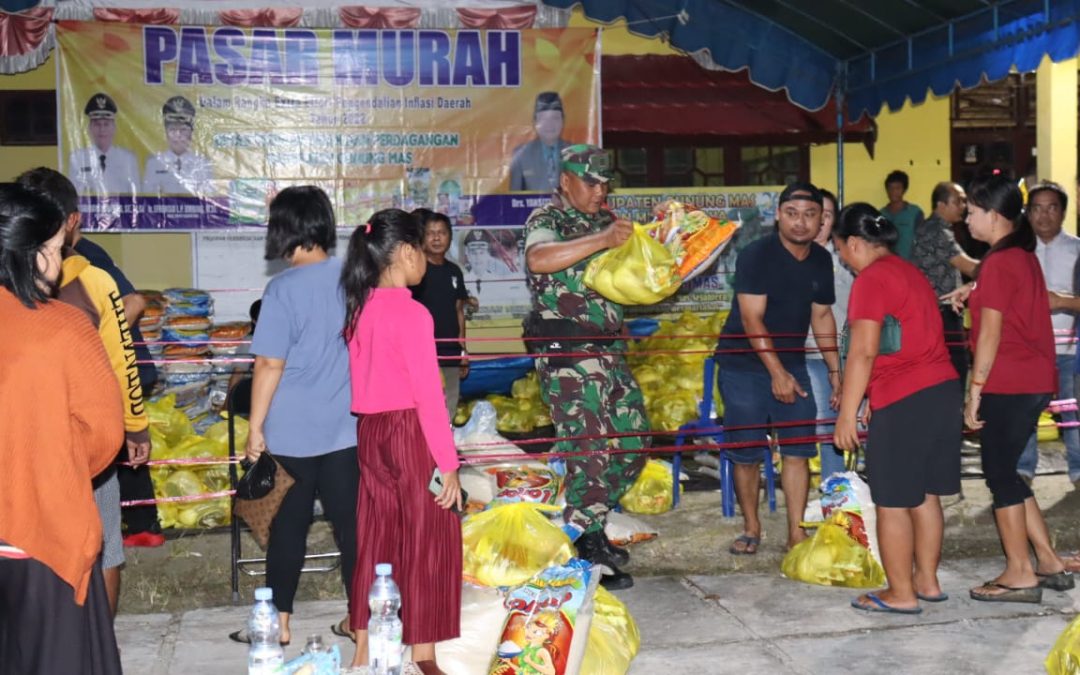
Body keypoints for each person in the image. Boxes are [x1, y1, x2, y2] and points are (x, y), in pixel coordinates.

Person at [0, 182, 125, 674]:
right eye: (54, 250)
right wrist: (52, 461)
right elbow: (104, 435)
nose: (57, 263)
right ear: (28, 254)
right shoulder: (64, 327)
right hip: (43, 540)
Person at [17, 170, 150, 619]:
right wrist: (132, 427)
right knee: (103, 545)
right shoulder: (92, 280)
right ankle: (97, 641)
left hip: (29, 451)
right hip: (77, 449)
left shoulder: (87, 278)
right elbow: (120, 360)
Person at [235, 186, 359, 648]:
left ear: (286, 228)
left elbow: (269, 364)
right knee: (352, 531)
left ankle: (280, 623)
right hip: (348, 428)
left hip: (290, 433)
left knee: (288, 530)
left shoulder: (281, 289)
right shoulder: (355, 276)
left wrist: (255, 428)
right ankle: (359, 618)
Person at [522, 144, 649, 590]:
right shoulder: (548, 220)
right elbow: (539, 259)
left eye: (605, 182)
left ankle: (586, 521)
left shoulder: (606, 222)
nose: (601, 190)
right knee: (589, 448)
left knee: (633, 441)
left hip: (608, 351)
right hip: (568, 354)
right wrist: (602, 240)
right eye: (591, 182)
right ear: (566, 182)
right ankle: (581, 550)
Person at [342, 208, 463, 675]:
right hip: (410, 431)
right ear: (408, 252)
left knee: (376, 535)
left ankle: (361, 651)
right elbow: (429, 394)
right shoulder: (411, 313)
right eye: (421, 253)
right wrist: (447, 463)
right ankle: (423, 657)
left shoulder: (358, 306)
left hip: (369, 431)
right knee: (429, 533)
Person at [943, 175, 1074, 602]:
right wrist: (974, 290)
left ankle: (1019, 571)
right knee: (1011, 475)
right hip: (1033, 377)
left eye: (974, 212)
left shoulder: (1001, 261)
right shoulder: (1019, 254)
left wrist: (974, 391)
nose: (968, 219)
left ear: (995, 215)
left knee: (999, 475)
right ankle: (1047, 560)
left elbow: (990, 335)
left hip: (1009, 380)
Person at [831, 203, 962, 615]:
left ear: (854, 243)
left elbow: (864, 350)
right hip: (941, 391)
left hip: (907, 397)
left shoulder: (871, 280)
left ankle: (900, 593)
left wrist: (846, 412)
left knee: (891, 501)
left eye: (841, 252)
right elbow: (902, 341)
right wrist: (872, 398)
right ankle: (927, 580)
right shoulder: (910, 272)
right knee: (924, 494)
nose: (844, 261)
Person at [717, 181, 840, 555]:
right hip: (743, 366)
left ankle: (796, 533)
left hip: (793, 363)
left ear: (821, 220)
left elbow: (821, 316)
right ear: (778, 215)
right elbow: (753, 319)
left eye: (810, 215)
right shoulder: (756, 254)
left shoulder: (821, 260)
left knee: (799, 449)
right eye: (792, 214)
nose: (800, 223)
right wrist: (776, 374)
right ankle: (752, 527)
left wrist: (836, 372)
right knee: (747, 450)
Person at [1017, 181, 1080, 485]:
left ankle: (1078, 468)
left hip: (1070, 349)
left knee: (1073, 412)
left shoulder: (1077, 249)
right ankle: (1025, 467)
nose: (1044, 216)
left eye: (1051, 208)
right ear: (1028, 214)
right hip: (1028, 350)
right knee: (1026, 413)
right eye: (1037, 208)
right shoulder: (1018, 251)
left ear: (1063, 212)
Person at [804, 188, 853, 482]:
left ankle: (870, 490)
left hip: (853, 354)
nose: (820, 221)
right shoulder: (796, 259)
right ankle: (834, 493)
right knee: (826, 425)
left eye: (827, 215)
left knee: (863, 423)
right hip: (811, 354)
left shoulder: (848, 259)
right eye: (814, 213)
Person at [910, 182, 978, 386]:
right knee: (955, 369)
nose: (964, 206)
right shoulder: (936, 231)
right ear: (941, 205)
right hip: (940, 311)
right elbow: (967, 266)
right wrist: (1003, 267)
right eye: (958, 201)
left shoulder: (937, 228)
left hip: (937, 311)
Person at [410, 208, 470, 418]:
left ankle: (445, 446)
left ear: (450, 237)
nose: (436, 238)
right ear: (422, 238)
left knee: (450, 404)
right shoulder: (415, 272)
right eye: (430, 233)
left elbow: (459, 311)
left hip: (451, 352)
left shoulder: (454, 272)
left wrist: (463, 351)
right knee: (425, 407)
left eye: (442, 232)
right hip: (423, 354)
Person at [68, 92, 140, 196]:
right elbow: (73, 195)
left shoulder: (128, 158)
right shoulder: (77, 158)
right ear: (89, 128)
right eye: (97, 124)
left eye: (106, 124)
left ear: (114, 128)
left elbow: (137, 195)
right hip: (89, 212)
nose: (102, 129)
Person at [142, 95, 214, 196]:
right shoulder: (154, 163)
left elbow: (209, 198)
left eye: (183, 130)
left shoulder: (203, 164)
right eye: (172, 130)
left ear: (191, 132)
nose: (178, 135)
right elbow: (148, 198)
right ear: (165, 132)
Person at [509, 92, 570, 193]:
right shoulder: (521, 154)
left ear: (563, 120)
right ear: (535, 122)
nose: (549, 124)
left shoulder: (576, 153)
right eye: (543, 119)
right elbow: (514, 199)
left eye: (554, 118)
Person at [880, 170, 924, 260]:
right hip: (888, 265)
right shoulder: (880, 214)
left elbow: (922, 241)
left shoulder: (915, 213)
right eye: (890, 188)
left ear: (904, 190)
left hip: (910, 265)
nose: (893, 192)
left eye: (897, 188)